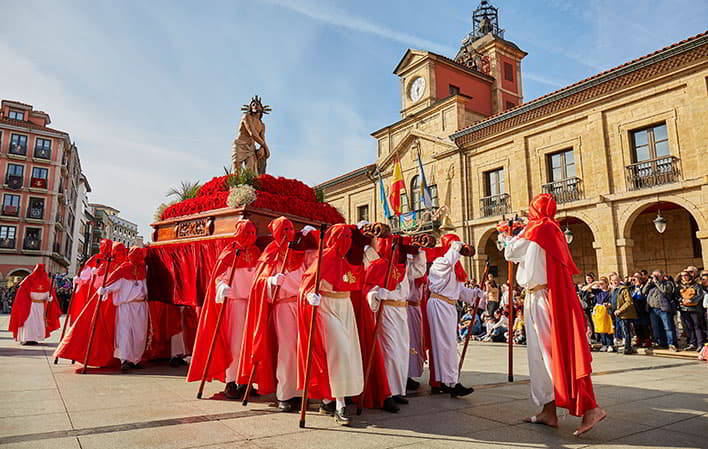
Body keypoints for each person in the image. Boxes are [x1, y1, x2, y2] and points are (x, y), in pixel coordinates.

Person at [503, 193, 605, 436]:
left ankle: (590, 408)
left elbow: (510, 252)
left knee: (550, 355)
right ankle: (548, 411)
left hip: (541, 299)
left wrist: (507, 235)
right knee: (540, 356)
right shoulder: (551, 230)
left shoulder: (539, 228)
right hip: (537, 297)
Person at [238, 218, 315, 412]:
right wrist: (270, 281)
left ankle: (301, 392)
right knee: (287, 350)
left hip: (302, 305)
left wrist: (312, 236)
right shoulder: (270, 254)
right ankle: (285, 394)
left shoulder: (300, 251)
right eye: (284, 229)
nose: (288, 232)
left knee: (303, 349)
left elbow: (313, 268)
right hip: (283, 306)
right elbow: (258, 283)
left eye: (291, 229)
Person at [298, 224, 363, 426]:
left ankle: (328, 400)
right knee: (339, 352)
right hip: (327, 307)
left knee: (348, 352)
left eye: (349, 237)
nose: (347, 241)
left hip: (345, 307)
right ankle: (339, 404)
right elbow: (306, 284)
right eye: (343, 237)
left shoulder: (345, 260)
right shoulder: (323, 258)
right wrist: (310, 296)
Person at [187, 220, 261, 398]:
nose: (250, 236)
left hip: (252, 304)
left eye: (253, 233)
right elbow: (219, 278)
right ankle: (231, 381)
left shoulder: (256, 252)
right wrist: (222, 288)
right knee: (235, 344)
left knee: (250, 344)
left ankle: (246, 381)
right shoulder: (229, 253)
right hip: (235, 304)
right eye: (247, 232)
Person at [366, 240, 426, 411]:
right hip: (388, 310)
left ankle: (397, 390)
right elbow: (368, 288)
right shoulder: (378, 265)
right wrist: (376, 294)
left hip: (402, 311)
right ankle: (386, 393)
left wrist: (419, 251)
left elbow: (419, 270)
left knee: (401, 351)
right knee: (390, 352)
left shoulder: (403, 267)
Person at [426, 234, 484, 398]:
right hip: (439, 304)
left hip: (449, 306)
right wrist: (457, 247)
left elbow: (459, 291)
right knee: (446, 345)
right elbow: (448, 261)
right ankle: (451, 382)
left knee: (449, 344)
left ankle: (447, 380)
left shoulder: (453, 267)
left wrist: (474, 293)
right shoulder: (440, 262)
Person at [97, 247, 149, 371]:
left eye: (140, 253)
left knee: (140, 334)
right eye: (135, 253)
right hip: (126, 306)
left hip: (141, 306)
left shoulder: (144, 270)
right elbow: (114, 285)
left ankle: (135, 359)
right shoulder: (122, 270)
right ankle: (124, 360)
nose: (137, 255)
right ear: (130, 254)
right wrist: (105, 290)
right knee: (125, 333)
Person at [8, 264, 61, 344]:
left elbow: (50, 293)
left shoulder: (45, 280)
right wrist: (48, 297)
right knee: (29, 321)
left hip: (39, 306)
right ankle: (27, 338)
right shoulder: (31, 280)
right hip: (30, 306)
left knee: (37, 322)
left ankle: (35, 338)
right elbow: (22, 293)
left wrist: (50, 298)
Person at [643, 270, 678, 352]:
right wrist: (648, 283)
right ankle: (661, 343)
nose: (654, 277)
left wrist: (657, 282)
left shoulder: (668, 283)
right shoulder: (651, 285)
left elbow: (665, 291)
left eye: (657, 276)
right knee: (656, 328)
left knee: (668, 327)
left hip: (663, 309)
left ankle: (672, 344)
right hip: (653, 309)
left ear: (662, 276)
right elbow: (643, 291)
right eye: (653, 275)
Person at [676, 270, 705, 351]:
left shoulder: (696, 285)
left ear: (689, 276)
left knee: (697, 326)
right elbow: (676, 296)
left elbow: (700, 295)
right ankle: (692, 343)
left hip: (694, 309)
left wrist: (691, 300)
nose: (684, 277)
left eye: (686, 275)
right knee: (689, 327)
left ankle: (700, 344)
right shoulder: (679, 286)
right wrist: (681, 300)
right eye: (682, 276)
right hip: (684, 309)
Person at [609, 273, 637, 355]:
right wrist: (609, 305)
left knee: (625, 331)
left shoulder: (624, 289)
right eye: (613, 280)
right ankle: (626, 346)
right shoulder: (613, 290)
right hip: (616, 314)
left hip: (624, 314)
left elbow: (629, 302)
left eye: (616, 280)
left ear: (619, 280)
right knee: (621, 331)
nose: (614, 282)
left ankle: (628, 348)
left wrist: (620, 310)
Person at [590, 277, 614, 352]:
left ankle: (610, 344)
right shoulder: (598, 291)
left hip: (606, 310)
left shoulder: (610, 292)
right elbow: (585, 289)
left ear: (606, 283)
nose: (601, 285)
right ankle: (604, 344)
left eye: (602, 283)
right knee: (600, 328)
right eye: (600, 283)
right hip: (598, 311)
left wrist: (608, 304)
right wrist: (594, 283)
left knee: (607, 328)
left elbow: (612, 301)